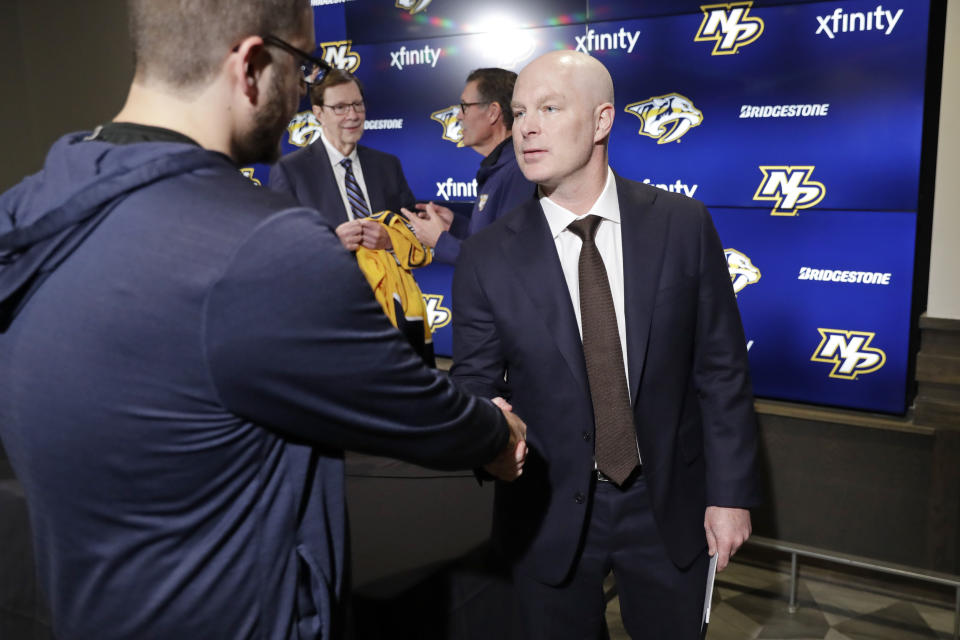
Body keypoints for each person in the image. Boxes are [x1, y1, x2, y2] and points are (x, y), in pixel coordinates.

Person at [0, 1, 526, 638]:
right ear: (252, 65)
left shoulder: (24, 213)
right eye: (304, 69)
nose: (306, 93)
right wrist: (494, 432)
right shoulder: (265, 246)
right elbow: (407, 404)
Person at [452, 50, 761, 639]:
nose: (527, 127)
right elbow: (475, 382)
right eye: (518, 112)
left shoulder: (682, 225)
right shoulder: (486, 255)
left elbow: (721, 371)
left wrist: (730, 495)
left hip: (670, 506)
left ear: (601, 121)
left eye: (548, 107)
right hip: (544, 510)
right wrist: (486, 434)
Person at [269, 68, 414, 253]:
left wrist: (390, 239)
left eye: (357, 104)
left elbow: (413, 230)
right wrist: (330, 245)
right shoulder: (290, 172)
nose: (353, 115)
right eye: (340, 107)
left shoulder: (387, 165)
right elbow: (279, 249)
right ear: (318, 113)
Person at [402, 68, 534, 265]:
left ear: (493, 113)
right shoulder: (500, 168)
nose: (458, 117)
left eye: (465, 106)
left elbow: (504, 265)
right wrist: (455, 225)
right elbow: (491, 240)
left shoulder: (518, 173)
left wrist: (440, 241)